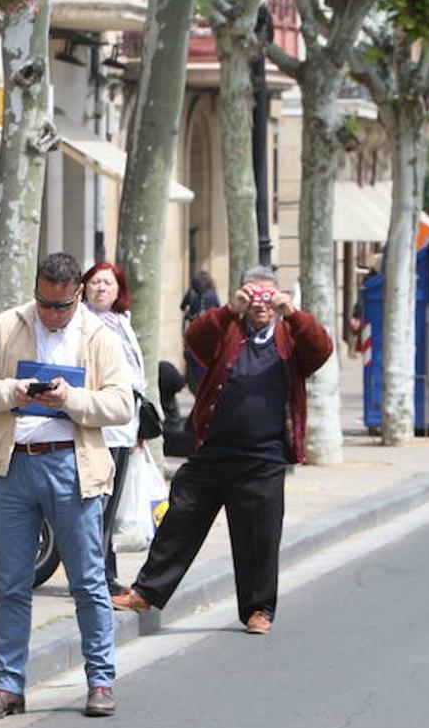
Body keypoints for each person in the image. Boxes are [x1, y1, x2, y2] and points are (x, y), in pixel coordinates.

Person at [114, 266, 334, 634]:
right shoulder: (229, 328)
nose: (260, 304)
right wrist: (229, 309)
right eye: (254, 296)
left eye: (267, 296)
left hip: (263, 458)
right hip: (214, 450)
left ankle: (258, 610)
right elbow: (195, 342)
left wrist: (292, 313)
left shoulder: (289, 336)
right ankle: (147, 591)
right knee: (180, 517)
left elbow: (321, 350)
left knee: (259, 537)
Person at [0, 252, 132, 719]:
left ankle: (100, 680)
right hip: (12, 464)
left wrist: (71, 399)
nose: (51, 314)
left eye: (61, 306)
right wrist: (13, 393)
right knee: (12, 582)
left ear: (77, 295)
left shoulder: (98, 334)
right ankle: (8, 685)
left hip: (72, 468)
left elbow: (121, 404)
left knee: (88, 581)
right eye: (44, 303)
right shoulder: (8, 324)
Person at [80, 261, 148, 595]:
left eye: (107, 283)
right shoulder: (82, 325)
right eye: (94, 282)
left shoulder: (121, 323)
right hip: (100, 426)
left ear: (119, 290)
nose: (101, 288)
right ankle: (97, 576)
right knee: (98, 506)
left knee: (110, 507)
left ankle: (106, 573)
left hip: (124, 427)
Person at [180, 271, 221, 395]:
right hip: (209, 335)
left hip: (193, 333)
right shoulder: (212, 295)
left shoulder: (191, 293)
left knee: (192, 361)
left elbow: (182, 307)